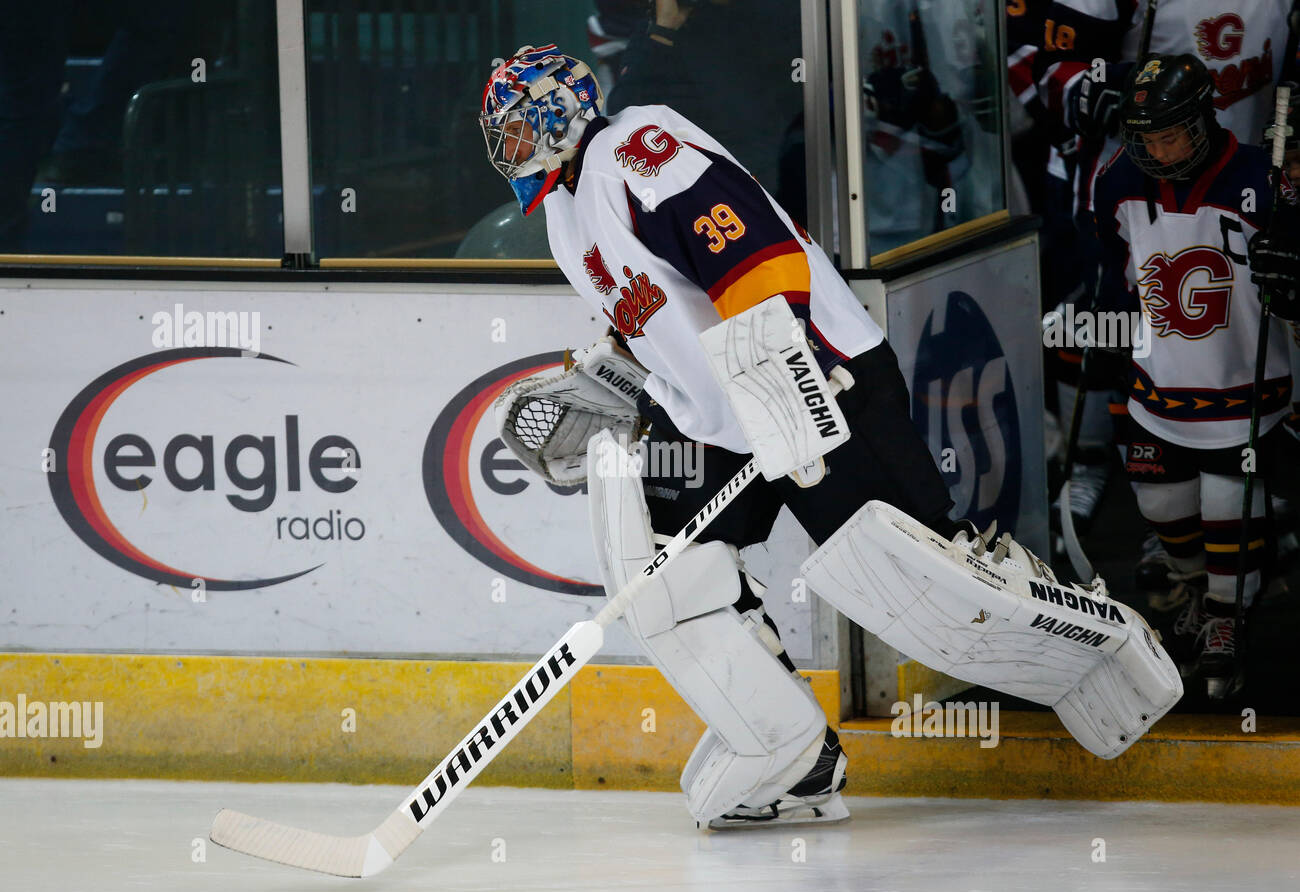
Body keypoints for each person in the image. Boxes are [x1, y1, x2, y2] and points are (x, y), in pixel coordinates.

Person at [480, 44, 1178, 825]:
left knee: (928, 576)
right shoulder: (565, 211)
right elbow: (647, 312)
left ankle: (1104, 637)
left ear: (559, 115)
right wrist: (613, 372)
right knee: (675, 581)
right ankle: (793, 754)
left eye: (513, 127)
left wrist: (791, 363)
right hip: (722, 423)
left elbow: (747, 244)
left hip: (819, 383)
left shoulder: (637, 147)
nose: (503, 146)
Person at [1093, 53, 1300, 699]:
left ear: (1204, 119)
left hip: (1246, 391)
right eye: (1145, 136)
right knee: (1162, 511)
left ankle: (1223, 620)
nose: (1156, 148)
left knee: (1226, 511)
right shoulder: (1117, 181)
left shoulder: (1262, 181)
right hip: (1159, 389)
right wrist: (1108, 338)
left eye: (1169, 133)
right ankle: (1200, 596)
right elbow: (1113, 269)